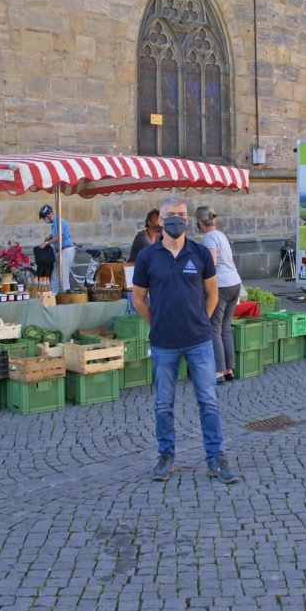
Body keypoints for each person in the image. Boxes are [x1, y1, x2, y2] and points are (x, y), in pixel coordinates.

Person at [131, 196, 239, 485]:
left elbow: (213, 294)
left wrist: (201, 320)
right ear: (160, 220)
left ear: (188, 220)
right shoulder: (147, 257)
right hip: (164, 342)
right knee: (164, 404)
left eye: (181, 214)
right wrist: (156, 323)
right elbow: (138, 299)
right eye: (170, 214)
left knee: (209, 401)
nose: (176, 218)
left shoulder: (201, 253)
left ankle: (215, 458)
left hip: (199, 341)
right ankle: (166, 456)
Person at [195, 205, 242, 384]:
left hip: (221, 286)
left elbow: (211, 263)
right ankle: (230, 369)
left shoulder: (209, 238)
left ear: (200, 222)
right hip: (234, 282)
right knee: (225, 327)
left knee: (214, 328)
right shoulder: (221, 235)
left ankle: (218, 372)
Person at [38, 204, 75, 294]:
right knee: (55, 276)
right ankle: (53, 297)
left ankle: (65, 298)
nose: (44, 220)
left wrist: (46, 243)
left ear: (48, 215)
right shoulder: (55, 224)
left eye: (44, 218)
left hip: (66, 251)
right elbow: (57, 235)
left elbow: (60, 236)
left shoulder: (59, 221)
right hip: (60, 251)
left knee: (64, 276)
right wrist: (50, 237)